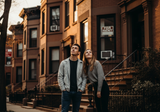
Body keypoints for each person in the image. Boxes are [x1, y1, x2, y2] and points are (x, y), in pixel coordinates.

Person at [58, 44, 87, 112]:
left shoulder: (82, 64)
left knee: (76, 110)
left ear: (79, 52)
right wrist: (63, 89)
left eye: (75, 48)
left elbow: (84, 77)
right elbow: (60, 76)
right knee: (64, 110)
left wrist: (82, 89)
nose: (73, 49)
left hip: (77, 92)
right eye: (72, 48)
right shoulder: (63, 63)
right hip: (66, 91)